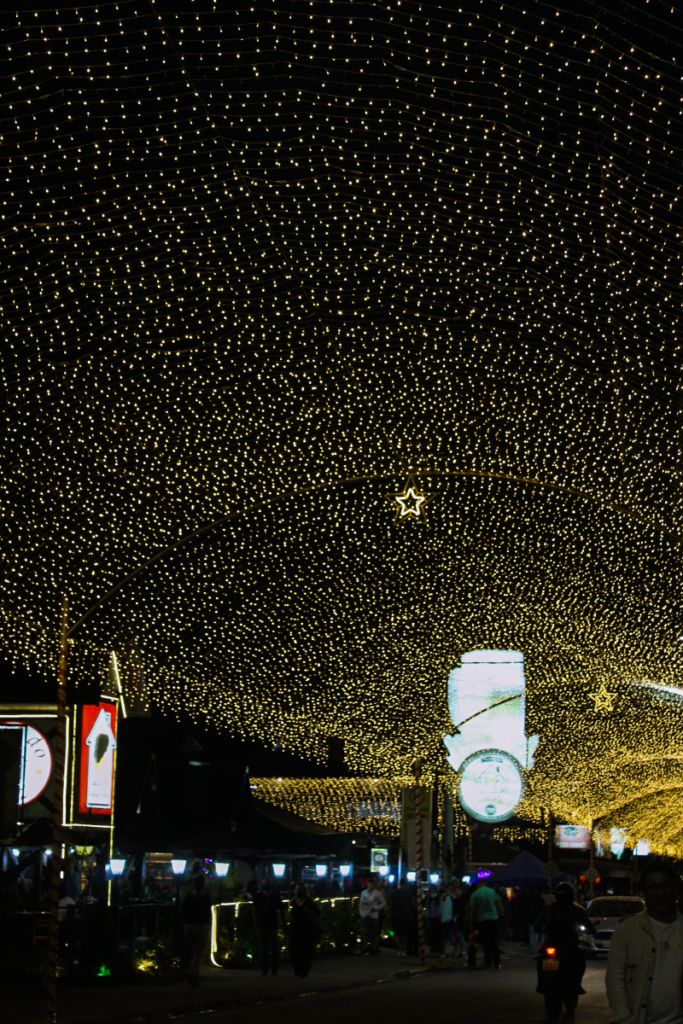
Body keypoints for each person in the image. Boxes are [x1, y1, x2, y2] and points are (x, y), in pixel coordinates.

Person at [606, 858, 683, 1024]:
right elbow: (615, 978)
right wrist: (624, 1018)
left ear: (675, 888)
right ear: (644, 892)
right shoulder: (627, 930)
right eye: (653, 887)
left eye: (665, 885)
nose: (660, 893)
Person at [181, 874, 212, 987]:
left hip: (189, 926)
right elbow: (208, 913)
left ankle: (194, 975)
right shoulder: (206, 899)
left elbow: (183, 914)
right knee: (198, 954)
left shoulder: (188, 898)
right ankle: (193, 975)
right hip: (202, 925)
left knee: (192, 952)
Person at [252, 877, 287, 976]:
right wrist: (256, 923)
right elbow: (254, 910)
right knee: (264, 948)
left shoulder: (275, 896)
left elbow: (281, 910)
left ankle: (273, 968)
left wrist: (284, 923)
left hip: (272, 924)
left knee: (272, 946)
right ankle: (265, 969)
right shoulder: (258, 895)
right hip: (262, 924)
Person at [469, 877, 503, 970]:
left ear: (478, 884)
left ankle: (487, 963)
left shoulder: (475, 894)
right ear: (485, 883)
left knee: (486, 942)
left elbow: (473, 911)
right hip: (493, 918)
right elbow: (498, 905)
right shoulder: (492, 892)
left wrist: (472, 923)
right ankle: (497, 962)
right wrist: (497, 916)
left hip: (482, 920)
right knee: (494, 941)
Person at [289, 884, 320, 978]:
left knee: (306, 950)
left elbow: (317, 912)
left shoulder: (309, 901)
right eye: (297, 889)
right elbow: (292, 914)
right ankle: (298, 968)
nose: (298, 890)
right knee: (292, 949)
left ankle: (304, 970)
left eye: (300, 889)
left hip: (306, 927)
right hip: (295, 927)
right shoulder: (294, 901)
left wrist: (309, 912)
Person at [359, 876, 386, 955]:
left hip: (374, 915)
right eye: (369, 884)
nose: (371, 886)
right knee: (363, 930)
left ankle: (374, 949)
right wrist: (361, 913)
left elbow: (384, 903)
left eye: (372, 884)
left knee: (375, 932)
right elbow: (361, 904)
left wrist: (376, 908)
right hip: (365, 914)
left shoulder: (377, 893)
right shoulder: (364, 893)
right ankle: (364, 947)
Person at [391, 878, 411, 956]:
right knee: (405, 934)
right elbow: (412, 903)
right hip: (405, 915)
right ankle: (403, 949)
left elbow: (391, 904)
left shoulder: (394, 893)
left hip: (396, 915)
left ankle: (397, 949)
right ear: (405, 884)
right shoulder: (408, 893)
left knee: (396, 933)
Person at [440, 885, 454, 956]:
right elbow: (444, 898)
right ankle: (442, 951)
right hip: (445, 919)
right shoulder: (444, 896)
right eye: (449, 889)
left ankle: (447, 951)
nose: (450, 890)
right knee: (445, 937)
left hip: (449, 919)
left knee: (448, 937)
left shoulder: (450, 898)